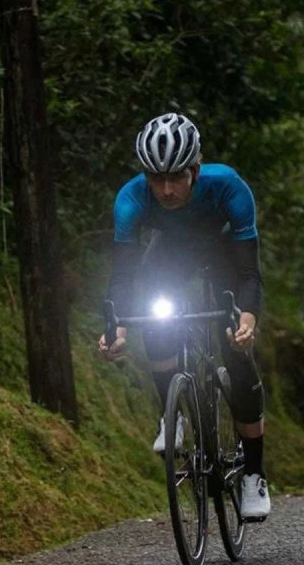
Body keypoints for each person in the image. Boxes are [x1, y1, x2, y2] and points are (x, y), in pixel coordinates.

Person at [97, 112, 270, 520]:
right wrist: (116, 327)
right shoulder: (131, 198)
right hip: (171, 255)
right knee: (156, 312)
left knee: (237, 354)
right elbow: (122, 276)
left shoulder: (227, 185)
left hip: (223, 254)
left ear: (195, 168)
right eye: (156, 179)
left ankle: (255, 476)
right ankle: (170, 414)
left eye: (176, 177)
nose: (167, 189)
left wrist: (247, 319)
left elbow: (249, 273)